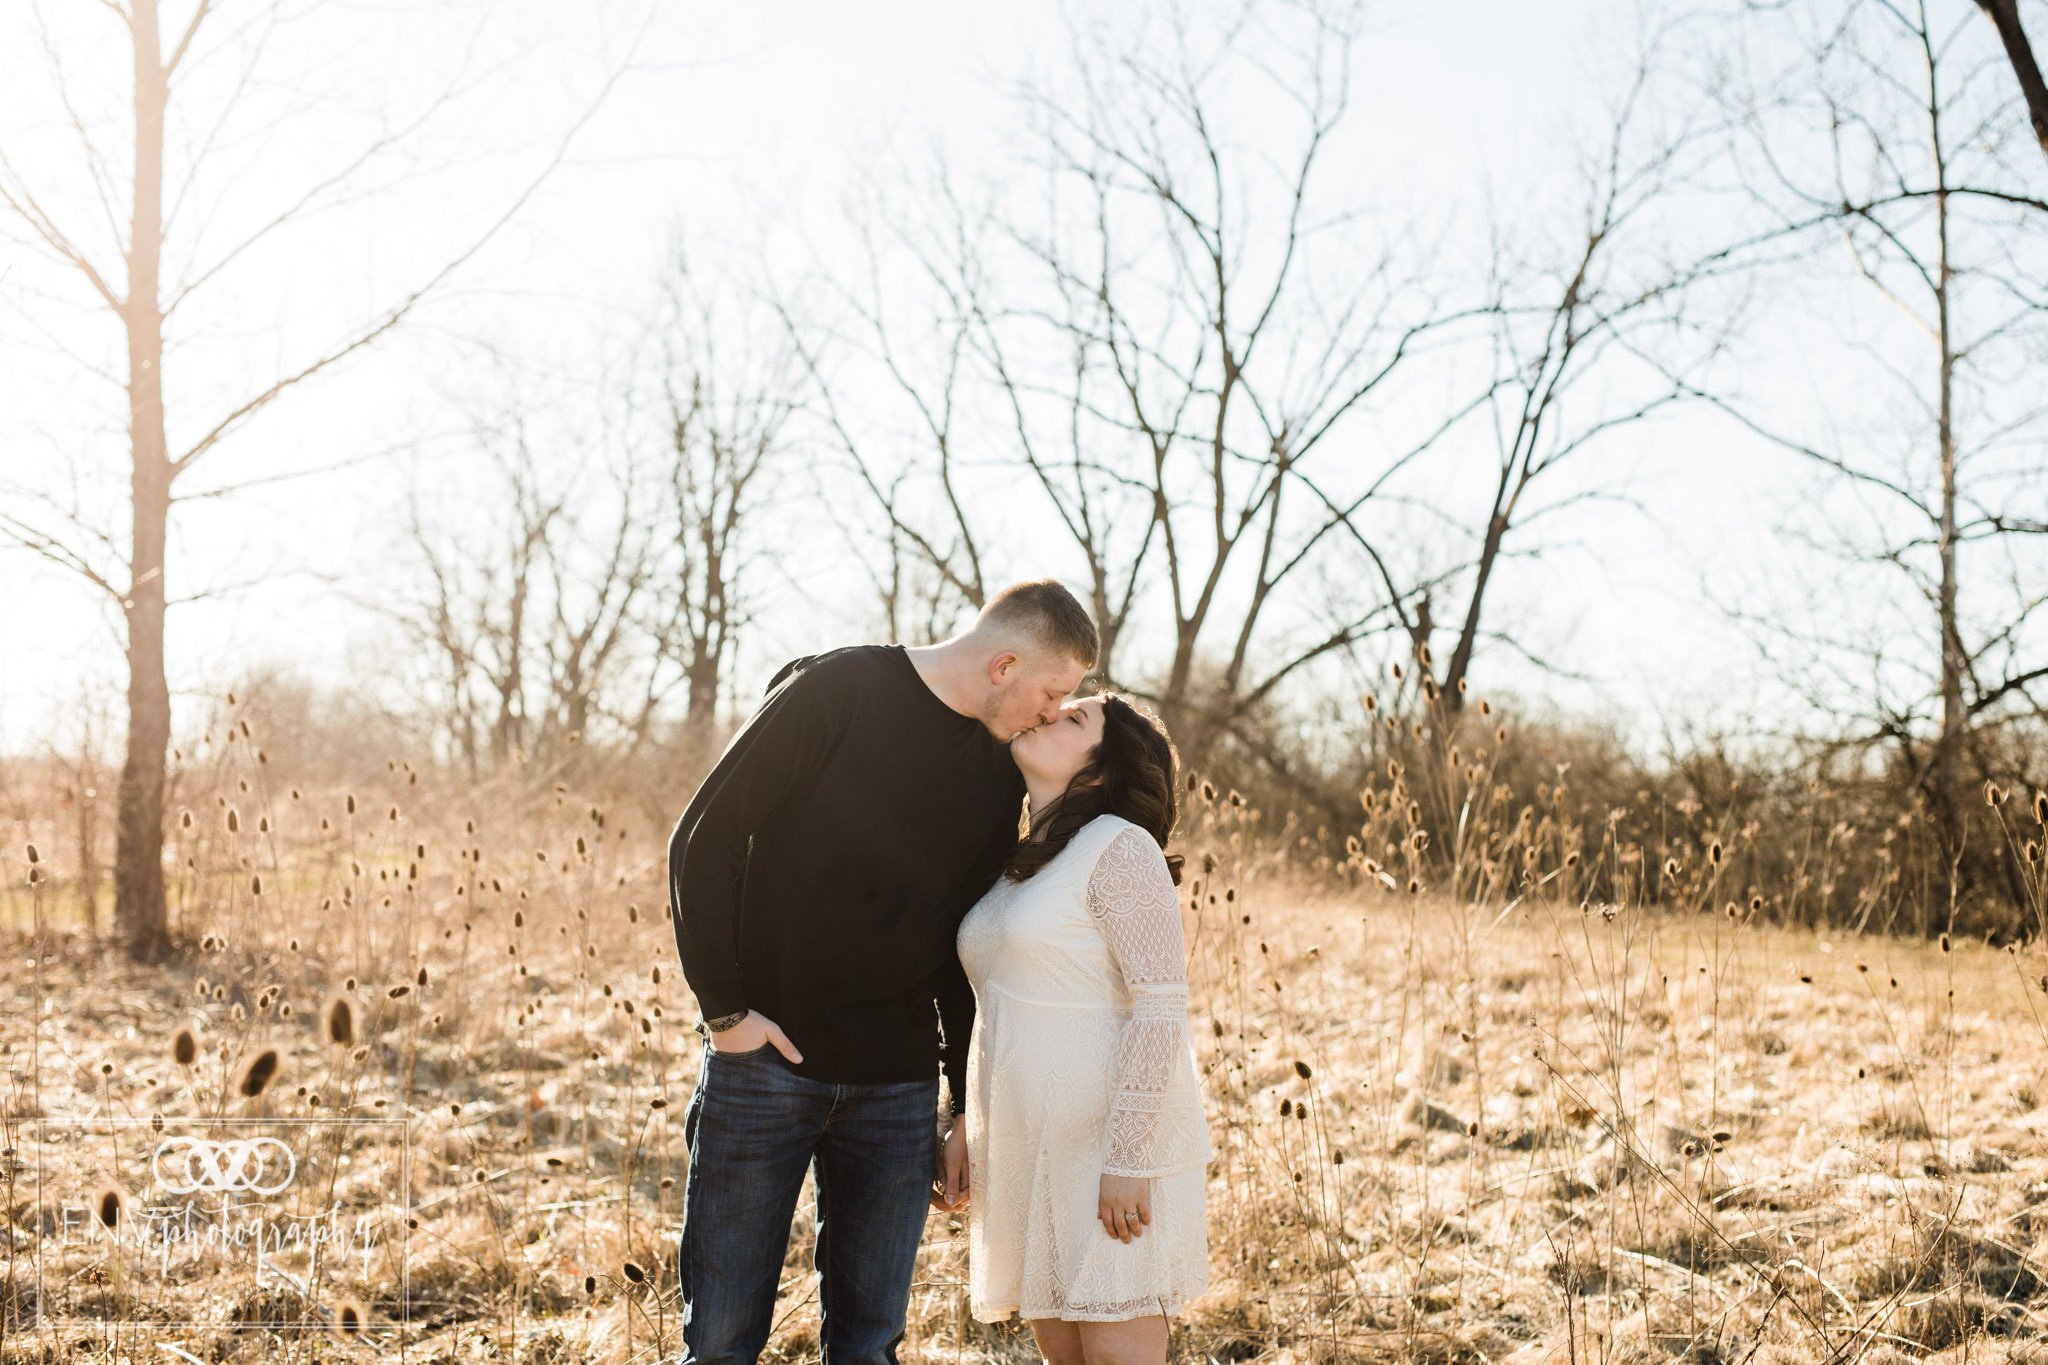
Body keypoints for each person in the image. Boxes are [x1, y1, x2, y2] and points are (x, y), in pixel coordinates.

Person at [666, 579, 1097, 1365]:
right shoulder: (839, 688)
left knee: (869, 1348)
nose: (1050, 713)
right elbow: (705, 836)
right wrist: (726, 1013)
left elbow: (966, 943)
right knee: (722, 1340)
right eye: (1052, 692)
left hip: (894, 1093)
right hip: (765, 1065)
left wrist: (966, 1104)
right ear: (1005, 663)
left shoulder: (999, 771)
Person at [949, 692, 1211, 1364]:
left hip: (1104, 1152)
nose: (1045, 715)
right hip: (1027, 1147)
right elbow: (995, 1002)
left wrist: (1128, 1158)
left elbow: (1160, 1007)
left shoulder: (1119, 847)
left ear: (1099, 770)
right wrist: (963, 1123)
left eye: (1072, 718)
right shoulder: (1021, 862)